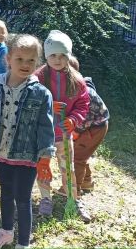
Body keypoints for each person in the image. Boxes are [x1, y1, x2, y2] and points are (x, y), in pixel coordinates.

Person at [0, 34, 55, 249]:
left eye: (31, 60)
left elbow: (46, 126)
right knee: (6, 192)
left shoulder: (41, 93)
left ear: (37, 62)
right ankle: (6, 231)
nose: (25, 64)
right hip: (2, 151)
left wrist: (45, 156)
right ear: (8, 58)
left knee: (23, 198)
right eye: (20, 59)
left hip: (27, 155)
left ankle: (23, 242)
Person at [34, 30, 91, 222]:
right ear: (46, 56)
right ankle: (45, 198)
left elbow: (83, 104)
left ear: (69, 55)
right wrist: (48, 106)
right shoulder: (38, 77)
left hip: (64, 135)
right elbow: (29, 100)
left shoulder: (76, 79)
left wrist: (74, 119)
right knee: (43, 167)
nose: (58, 60)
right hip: (42, 135)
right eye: (53, 55)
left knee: (68, 168)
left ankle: (73, 199)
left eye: (62, 55)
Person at [69, 56, 109, 195]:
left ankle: (74, 188)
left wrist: (77, 131)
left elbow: (86, 115)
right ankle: (87, 181)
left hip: (95, 128)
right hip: (89, 126)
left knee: (77, 157)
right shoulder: (72, 88)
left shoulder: (82, 92)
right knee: (81, 153)